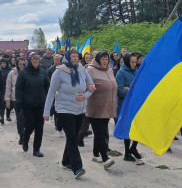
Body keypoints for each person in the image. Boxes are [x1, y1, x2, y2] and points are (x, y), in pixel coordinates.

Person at [43, 49, 95, 178]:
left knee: (74, 137)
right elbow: (51, 92)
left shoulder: (82, 70)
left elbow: (92, 86)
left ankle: (66, 161)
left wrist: (85, 95)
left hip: (80, 109)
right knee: (72, 137)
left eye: (77, 56)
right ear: (67, 58)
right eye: (72, 56)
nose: (75, 58)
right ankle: (77, 167)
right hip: (64, 109)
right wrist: (46, 112)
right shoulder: (59, 72)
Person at [85, 50, 117, 169]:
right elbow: (85, 86)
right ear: (98, 59)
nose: (105, 61)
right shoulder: (90, 70)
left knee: (101, 131)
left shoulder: (109, 70)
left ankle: (95, 154)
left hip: (107, 106)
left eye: (106, 59)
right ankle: (105, 158)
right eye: (103, 59)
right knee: (100, 133)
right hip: (96, 107)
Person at [15, 53, 50, 157]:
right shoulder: (23, 72)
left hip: (40, 103)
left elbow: (47, 86)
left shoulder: (43, 72)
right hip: (28, 103)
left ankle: (36, 149)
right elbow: (18, 88)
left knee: (39, 127)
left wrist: (47, 100)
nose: (36, 64)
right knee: (30, 124)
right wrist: (19, 101)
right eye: (34, 62)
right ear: (30, 62)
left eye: (37, 62)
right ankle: (25, 138)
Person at [116, 53, 143, 163]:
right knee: (127, 129)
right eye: (132, 62)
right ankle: (127, 152)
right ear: (127, 62)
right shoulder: (121, 73)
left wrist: (130, 89)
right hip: (125, 105)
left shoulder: (136, 72)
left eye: (135, 62)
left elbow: (139, 87)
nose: (134, 64)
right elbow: (119, 91)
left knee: (138, 126)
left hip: (136, 104)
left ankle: (133, 148)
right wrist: (132, 92)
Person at [6, 57, 25, 144]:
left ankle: (26, 133)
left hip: (26, 99)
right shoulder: (12, 73)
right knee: (19, 118)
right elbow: (8, 87)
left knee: (26, 118)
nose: (22, 66)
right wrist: (7, 100)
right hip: (15, 99)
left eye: (23, 64)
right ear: (17, 64)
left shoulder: (27, 72)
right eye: (20, 64)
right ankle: (21, 136)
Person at [0, 58, 11, 123]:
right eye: (2, 63)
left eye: (4, 63)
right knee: (1, 104)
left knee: (8, 103)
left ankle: (8, 116)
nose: (3, 64)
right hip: (1, 89)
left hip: (8, 88)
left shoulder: (10, 70)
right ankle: (2, 117)